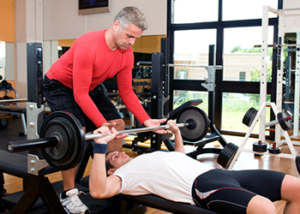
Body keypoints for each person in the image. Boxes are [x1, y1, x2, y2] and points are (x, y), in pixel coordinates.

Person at [43, 6, 167, 214]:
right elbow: (79, 93)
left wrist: (146, 120)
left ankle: (111, 177)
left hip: (91, 86)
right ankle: (68, 193)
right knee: (76, 133)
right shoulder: (88, 45)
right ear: (116, 25)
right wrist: (101, 124)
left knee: (117, 125)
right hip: (60, 85)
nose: (132, 42)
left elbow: (126, 91)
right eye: (129, 36)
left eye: (136, 38)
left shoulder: (126, 54)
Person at [89, 120, 300, 214]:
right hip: (202, 186)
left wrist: (177, 132)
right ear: (111, 170)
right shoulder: (125, 175)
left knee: (297, 188)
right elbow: (99, 190)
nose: (121, 153)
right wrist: (100, 146)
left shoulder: (148, 157)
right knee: (265, 209)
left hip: (218, 173)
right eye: (115, 156)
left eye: (118, 151)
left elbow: (179, 156)